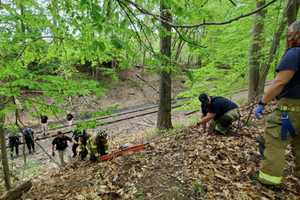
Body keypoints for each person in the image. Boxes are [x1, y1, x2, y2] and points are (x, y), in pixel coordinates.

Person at [254, 21, 300, 186]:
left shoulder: (294, 53)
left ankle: (269, 181)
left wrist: (262, 102)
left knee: (275, 140)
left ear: (297, 34)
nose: (288, 37)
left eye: (290, 34)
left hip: (290, 112)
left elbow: (279, 83)